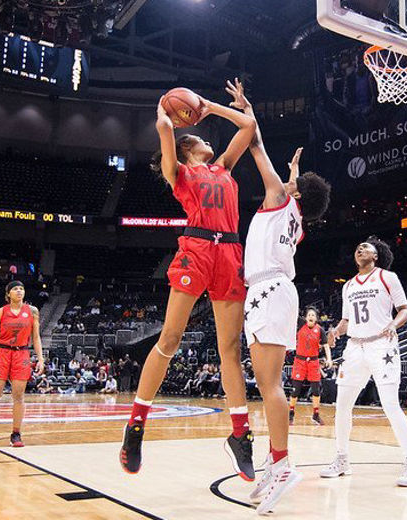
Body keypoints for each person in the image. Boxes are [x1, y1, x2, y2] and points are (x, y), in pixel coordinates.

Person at [122, 82, 259, 480]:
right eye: (196, 136)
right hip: (197, 248)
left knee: (230, 349)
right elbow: (165, 130)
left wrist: (211, 107)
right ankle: (136, 425)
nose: (203, 137)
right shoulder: (179, 172)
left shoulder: (224, 168)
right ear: (187, 149)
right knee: (170, 339)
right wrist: (166, 110)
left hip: (230, 252)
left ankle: (240, 435)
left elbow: (248, 126)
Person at [232, 80, 332, 513]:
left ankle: (284, 465)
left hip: (269, 290)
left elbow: (255, 146)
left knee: (270, 385)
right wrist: (294, 181)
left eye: (292, 184)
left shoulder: (277, 198)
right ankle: (276, 465)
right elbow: (290, 194)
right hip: (272, 290)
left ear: (293, 193)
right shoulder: (296, 217)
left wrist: (249, 110)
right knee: (267, 383)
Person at [320, 238, 407, 487]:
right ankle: (342, 459)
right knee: (342, 406)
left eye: (366, 247)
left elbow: (405, 310)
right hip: (354, 347)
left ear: (376, 256)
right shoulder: (348, 286)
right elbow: (346, 320)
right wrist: (335, 331)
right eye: (357, 248)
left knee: (390, 404)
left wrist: (393, 324)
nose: (360, 249)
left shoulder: (388, 277)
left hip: (381, 345)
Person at [0, 281, 45, 449]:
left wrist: (41, 358)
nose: (19, 291)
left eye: (22, 288)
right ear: (8, 294)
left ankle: (16, 433)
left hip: (21, 353)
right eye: (15, 289)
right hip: (2, 352)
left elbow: (36, 337)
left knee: (19, 395)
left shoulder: (32, 312)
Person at [289, 308, 333, 425]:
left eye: (313, 315)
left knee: (316, 390)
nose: (311, 316)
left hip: (313, 362)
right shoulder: (301, 325)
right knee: (296, 390)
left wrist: (329, 359)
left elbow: (326, 346)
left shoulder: (320, 330)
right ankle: (291, 413)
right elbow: (292, 311)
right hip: (300, 361)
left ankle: (316, 414)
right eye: (309, 314)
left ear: (316, 318)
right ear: (306, 317)